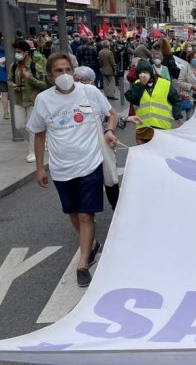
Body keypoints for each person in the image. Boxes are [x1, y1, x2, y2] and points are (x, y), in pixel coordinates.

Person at [27, 53, 119, 287]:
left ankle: (83, 262)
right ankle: (92, 244)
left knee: (86, 215)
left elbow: (112, 113)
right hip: (60, 168)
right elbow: (39, 135)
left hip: (90, 163)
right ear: (50, 75)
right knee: (73, 213)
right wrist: (40, 168)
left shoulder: (89, 92)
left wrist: (109, 130)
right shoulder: (43, 100)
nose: (64, 75)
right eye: (58, 71)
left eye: (68, 69)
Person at [73, 66, 141, 210]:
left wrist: (126, 119)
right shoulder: (69, 99)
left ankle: (117, 208)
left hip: (101, 144)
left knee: (110, 176)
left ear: (92, 81)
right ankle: (86, 212)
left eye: (84, 80)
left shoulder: (95, 94)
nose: (80, 83)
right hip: (80, 148)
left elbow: (108, 115)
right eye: (77, 80)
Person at [8, 39, 48, 163]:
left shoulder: (35, 66)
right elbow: (9, 79)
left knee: (32, 128)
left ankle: (33, 151)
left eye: (19, 52)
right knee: (19, 125)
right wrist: (13, 85)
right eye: (16, 52)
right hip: (19, 100)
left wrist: (29, 78)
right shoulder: (14, 65)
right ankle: (40, 140)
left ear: (26, 52)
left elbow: (44, 84)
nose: (17, 54)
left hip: (33, 100)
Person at [125, 59, 182, 144]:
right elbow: (132, 98)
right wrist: (141, 85)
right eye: (140, 73)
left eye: (145, 72)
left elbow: (176, 100)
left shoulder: (164, 84)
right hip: (143, 129)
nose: (142, 75)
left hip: (162, 128)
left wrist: (177, 116)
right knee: (143, 155)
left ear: (150, 72)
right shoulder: (137, 85)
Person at [0, 32, 8, 120]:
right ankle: (6, 113)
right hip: (3, 72)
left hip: (2, 73)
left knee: (4, 94)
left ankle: (6, 112)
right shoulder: (4, 48)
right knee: (5, 93)